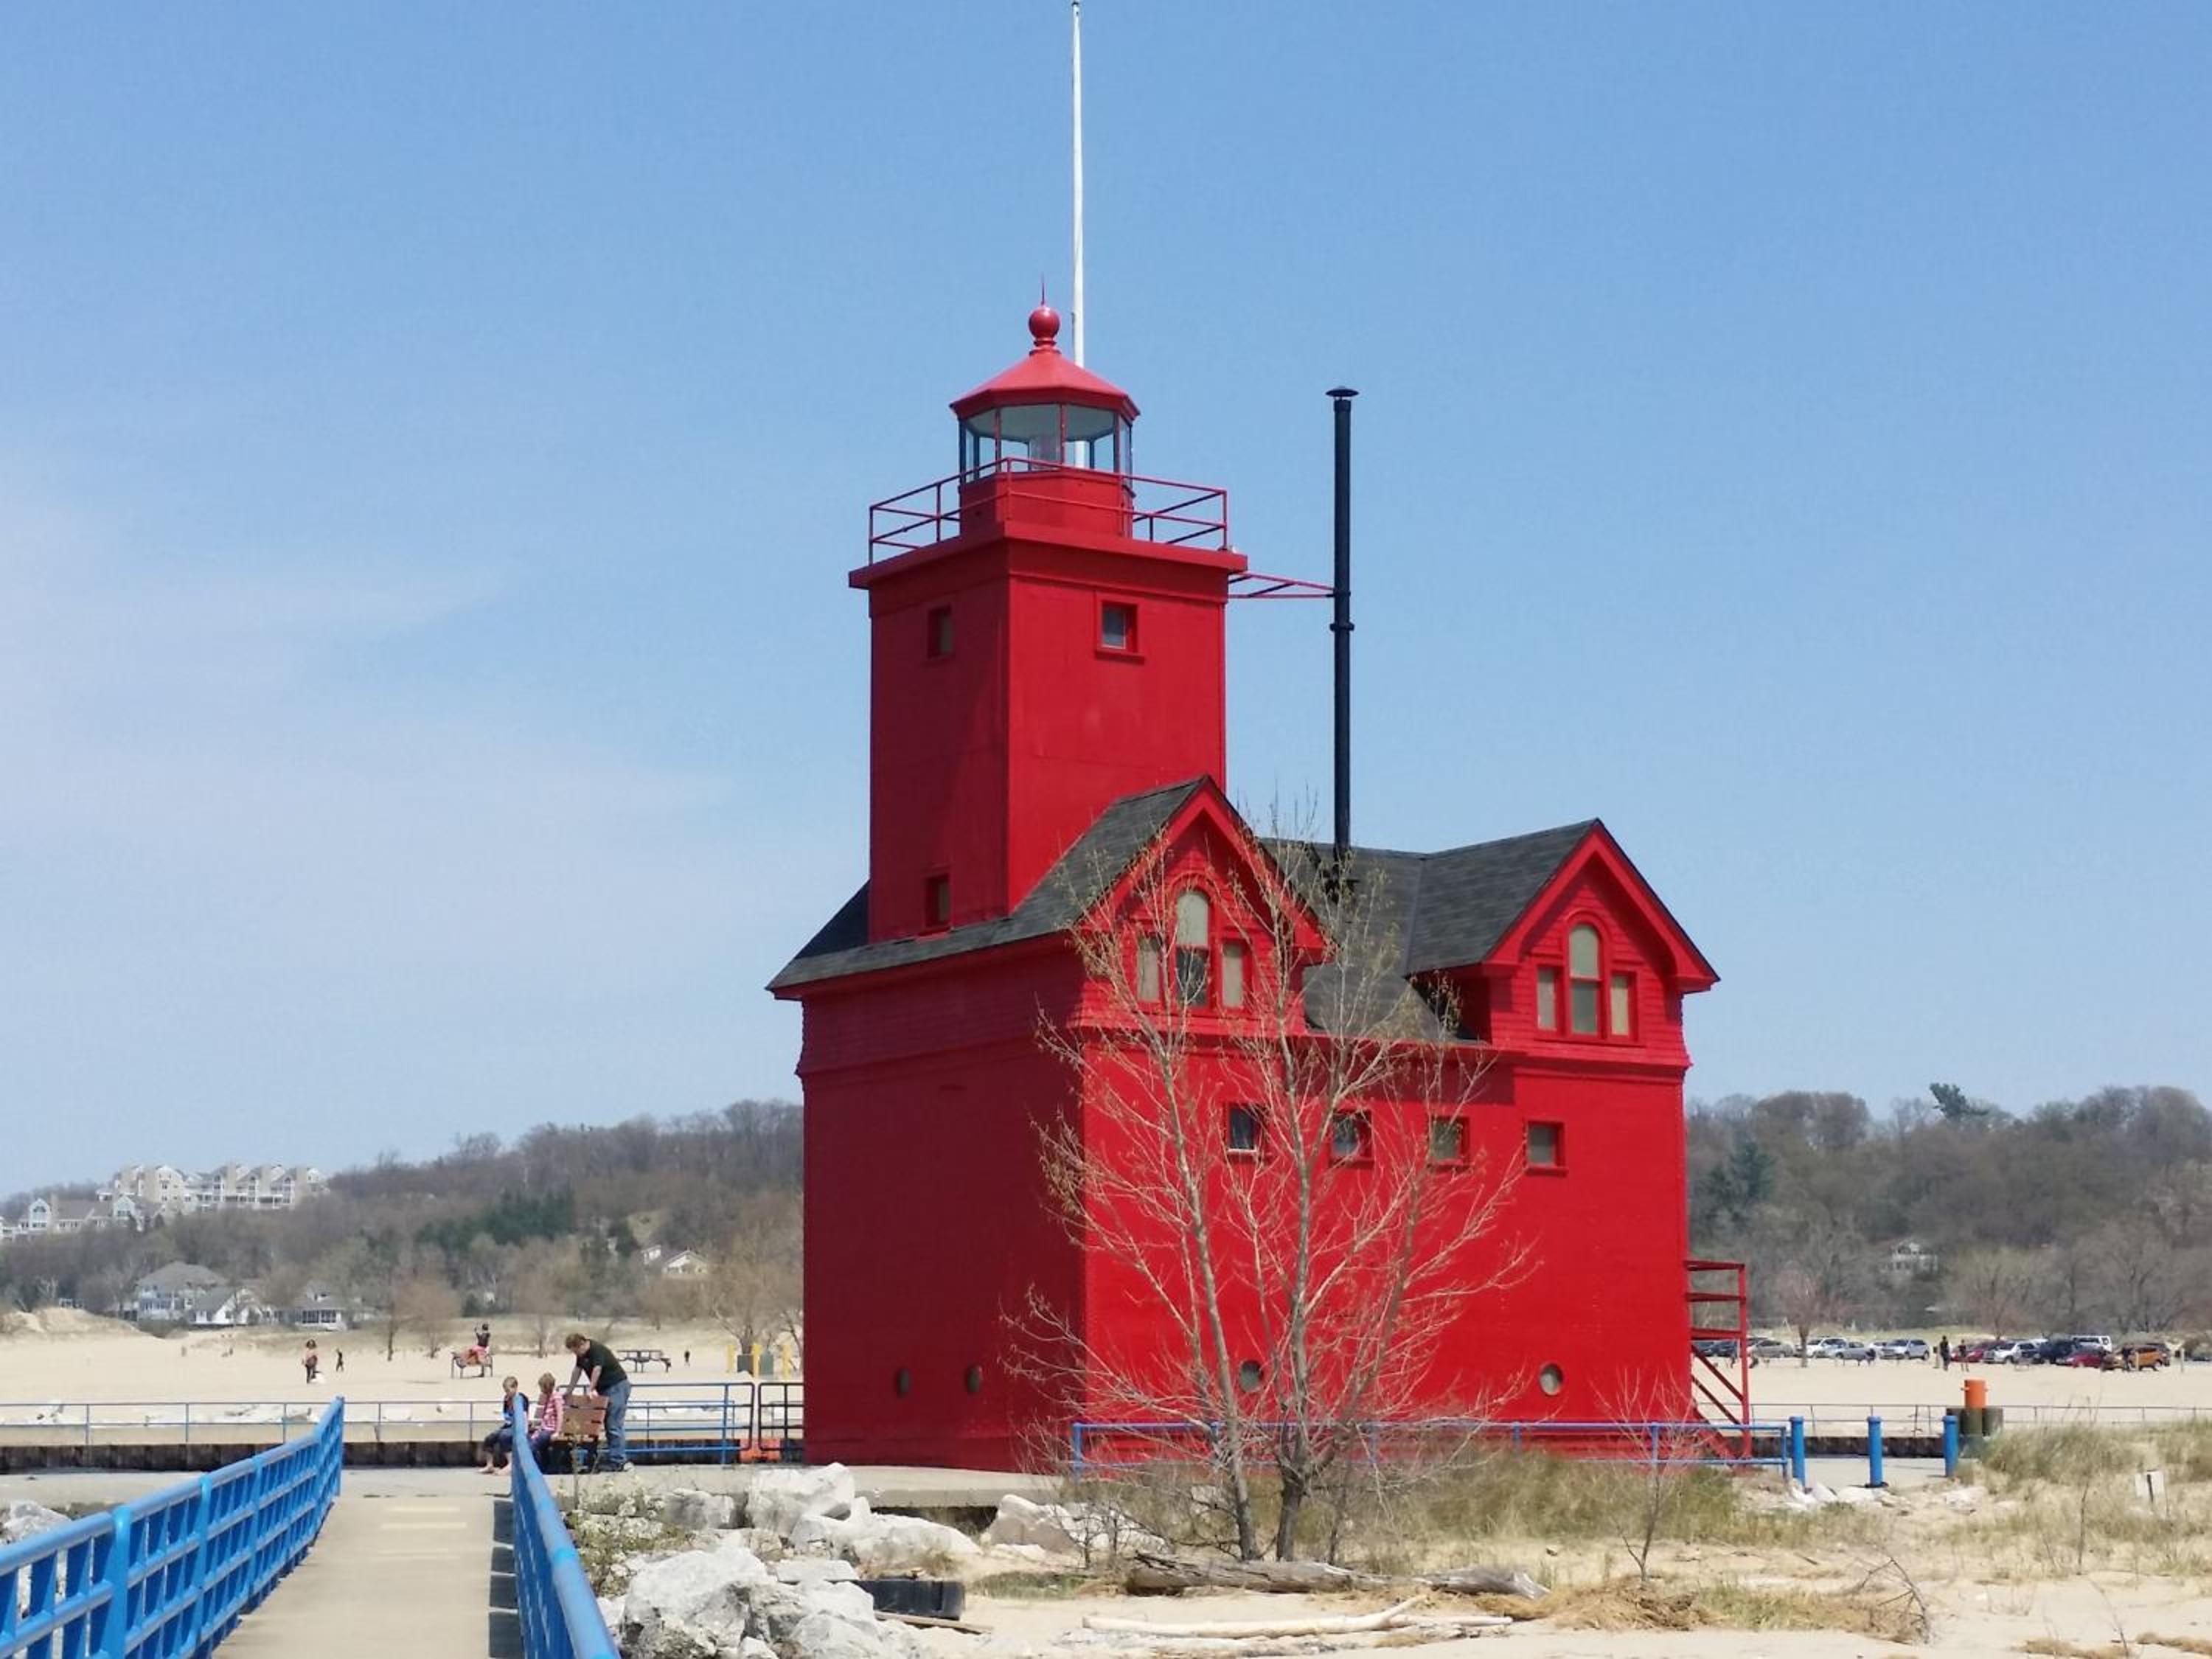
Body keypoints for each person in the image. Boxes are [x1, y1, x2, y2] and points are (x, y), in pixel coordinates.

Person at [565, 1331, 631, 1472]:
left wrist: (590, 1389)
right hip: (604, 1389)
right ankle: (611, 1459)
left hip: (617, 1386)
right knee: (606, 1424)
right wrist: (569, 1390)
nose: (576, 1354)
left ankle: (619, 1460)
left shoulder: (596, 1350)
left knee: (614, 1424)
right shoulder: (581, 1356)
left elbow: (597, 1369)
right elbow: (577, 1371)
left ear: (582, 1344)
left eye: (576, 1350)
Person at [478, 1374, 524, 1474]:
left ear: (515, 1387)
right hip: (508, 1425)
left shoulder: (521, 1399)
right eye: (505, 1391)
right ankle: (490, 1465)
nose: (507, 1393)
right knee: (490, 1438)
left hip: (517, 1426)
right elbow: (506, 1414)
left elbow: (524, 1416)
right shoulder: (506, 1399)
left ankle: (511, 1464)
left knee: (504, 1436)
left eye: (508, 1390)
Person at [527, 1371, 564, 1464]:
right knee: (531, 1440)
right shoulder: (548, 1397)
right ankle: (543, 1465)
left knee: (535, 1444)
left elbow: (560, 1414)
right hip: (544, 1428)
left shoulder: (556, 1397)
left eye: (542, 1387)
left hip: (551, 1429)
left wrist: (557, 1432)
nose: (541, 1390)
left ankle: (533, 1464)